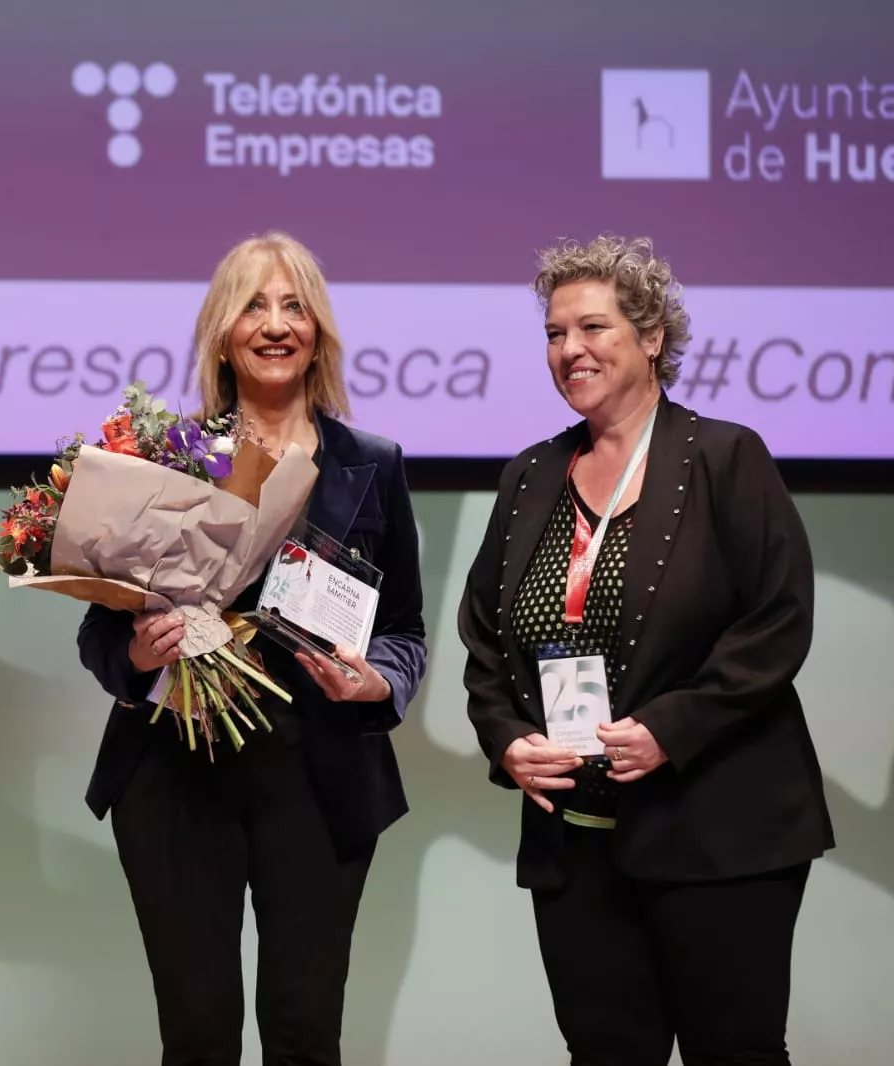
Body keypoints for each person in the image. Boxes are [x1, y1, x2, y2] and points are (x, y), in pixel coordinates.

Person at [458, 235, 834, 1066]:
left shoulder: (725, 458)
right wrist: (507, 739)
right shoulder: (528, 476)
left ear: (653, 335)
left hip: (717, 830)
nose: (569, 350)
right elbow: (484, 640)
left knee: (730, 1049)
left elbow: (777, 619)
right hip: (575, 838)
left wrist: (672, 725)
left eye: (592, 328)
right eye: (555, 334)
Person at [77, 231, 427, 1066]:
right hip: (172, 778)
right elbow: (98, 631)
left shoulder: (371, 465)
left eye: (294, 305)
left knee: (304, 1033)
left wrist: (376, 683)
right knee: (196, 1037)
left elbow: (404, 630)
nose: (275, 325)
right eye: (253, 305)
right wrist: (140, 654)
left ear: (318, 332)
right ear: (221, 333)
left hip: (320, 777)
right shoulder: (165, 460)